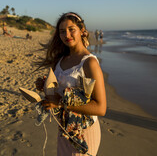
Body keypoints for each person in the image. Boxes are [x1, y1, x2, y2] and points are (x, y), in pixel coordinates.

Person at [35, 12, 107, 156]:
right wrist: (45, 86)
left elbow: (101, 108)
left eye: (71, 29)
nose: (66, 34)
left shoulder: (89, 63)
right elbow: (59, 94)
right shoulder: (60, 61)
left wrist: (61, 103)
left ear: (82, 31)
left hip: (84, 132)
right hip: (64, 129)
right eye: (62, 31)